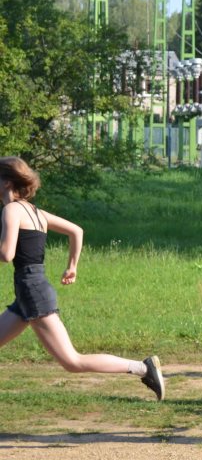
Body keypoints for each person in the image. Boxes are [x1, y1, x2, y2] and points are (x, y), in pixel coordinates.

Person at [0, 157, 164, 401]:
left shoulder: (11, 210)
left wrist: (72, 267)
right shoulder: (34, 211)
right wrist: (72, 267)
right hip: (30, 290)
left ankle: (143, 367)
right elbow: (76, 230)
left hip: (33, 292)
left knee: (72, 362)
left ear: (6, 182)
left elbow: (6, 254)